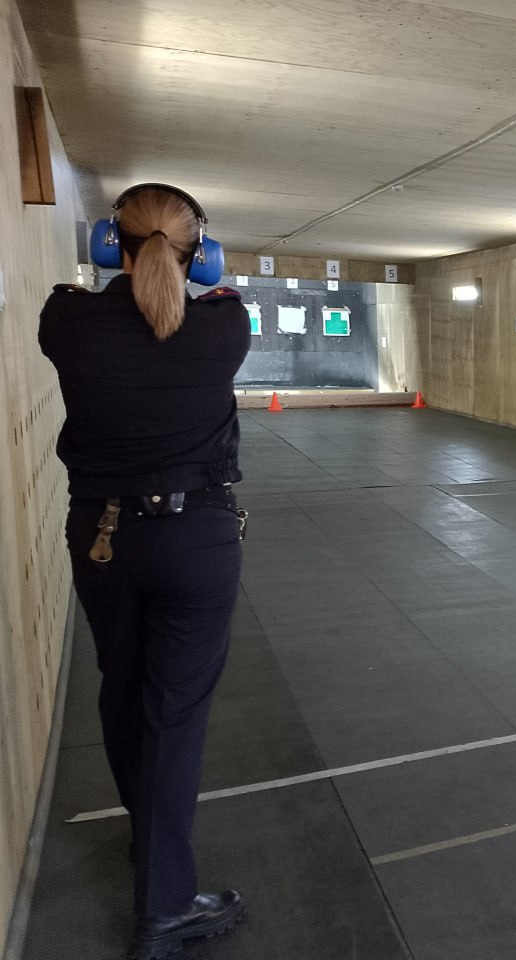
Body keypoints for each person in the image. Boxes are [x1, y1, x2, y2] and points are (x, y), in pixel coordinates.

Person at [39, 184, 249, 959]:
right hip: (195, 541)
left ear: (108, 244)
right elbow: (176, 310)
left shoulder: (65, 319)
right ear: (203, 255)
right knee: (173, 714)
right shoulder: (225, 324)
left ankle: (149, 841)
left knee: (123, 690)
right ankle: (164, 907)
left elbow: (117, 314)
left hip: (102, 537)